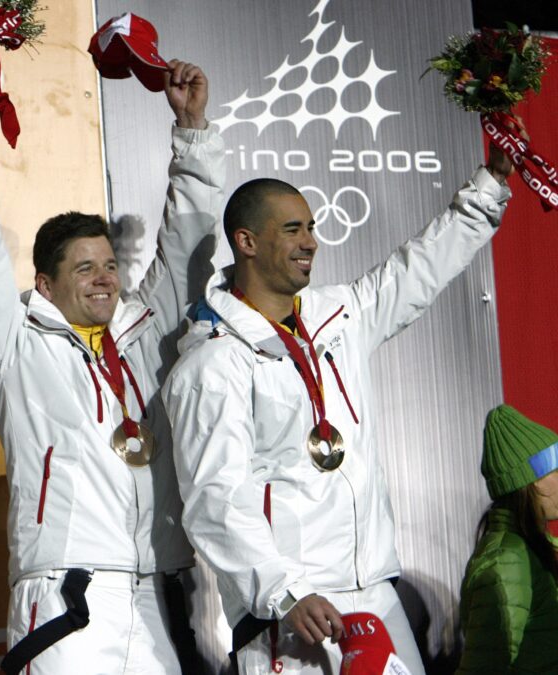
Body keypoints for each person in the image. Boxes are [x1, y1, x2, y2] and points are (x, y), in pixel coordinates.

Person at [161, 139, 514, 673]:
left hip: (374, 589)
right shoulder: (212, 365)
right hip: (296, 605)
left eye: (311, 227)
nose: (311, 241)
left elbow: (416, 269)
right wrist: (284, 592)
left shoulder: (338, 317)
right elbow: (217, 498)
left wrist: (487, 189)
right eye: (293, 229)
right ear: (246, 241)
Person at [0, 59, 225, 673]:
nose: (105, 279)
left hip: (159, 590)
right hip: (67, 592)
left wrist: (193, 131)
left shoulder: (146, 330)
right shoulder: (15, 344)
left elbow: (187, 249)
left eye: (110, 266)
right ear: (44, 283)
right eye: (85, 269)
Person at [457, 404, 558, 674]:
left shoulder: (540, 549)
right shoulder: (506, 560)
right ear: (533, 480)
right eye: (556, 469)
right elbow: (483, 667)